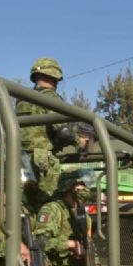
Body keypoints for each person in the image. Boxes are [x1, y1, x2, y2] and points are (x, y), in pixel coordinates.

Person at [14, 57, 77, 196]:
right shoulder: (50, 97)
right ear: (55, 77)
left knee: (28, 203)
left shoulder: (22, 100)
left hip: (20, 158)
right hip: (42, 158)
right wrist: (79, 142)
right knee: (49, 200)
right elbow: (64, 131)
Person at [34, 169, 102, 266]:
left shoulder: (83, 214)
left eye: (85, 186)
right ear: (68, 187)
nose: (84, 190)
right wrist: (69, 244)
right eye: (80, 186)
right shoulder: (53, 209)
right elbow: (40, 243)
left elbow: (89, 244)